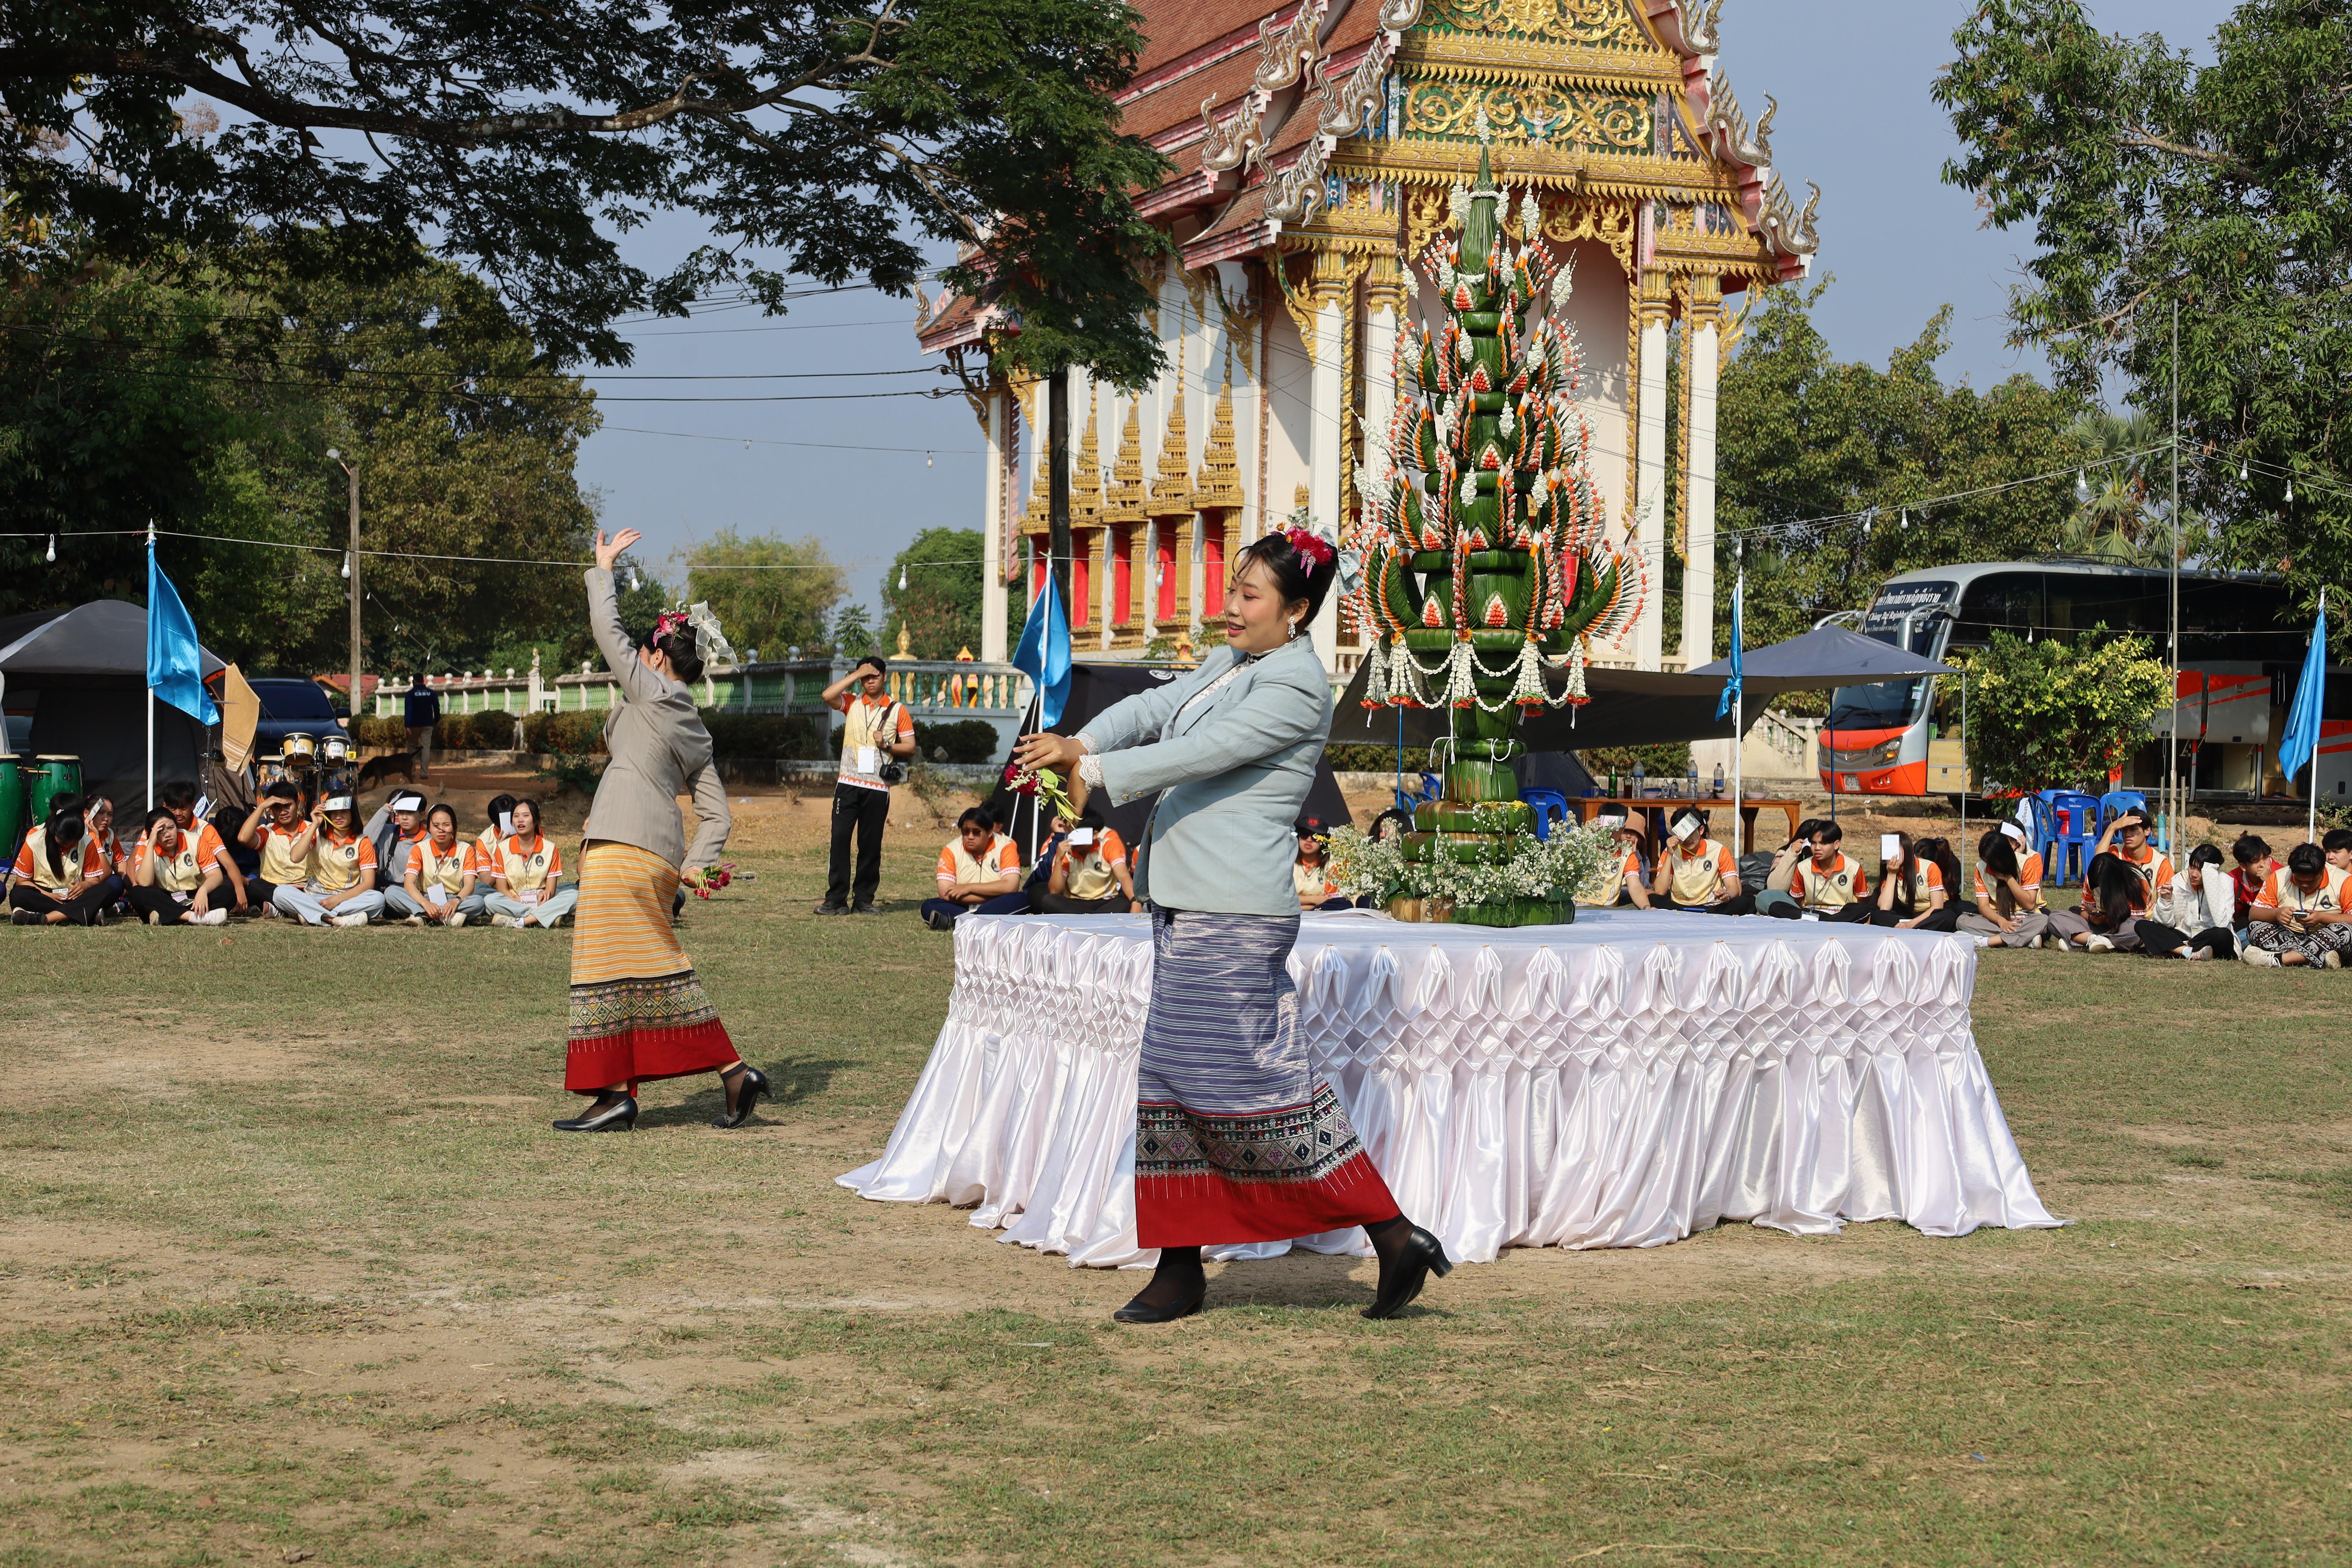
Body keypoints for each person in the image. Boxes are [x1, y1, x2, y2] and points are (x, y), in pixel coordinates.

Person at [1011, 525, 1449, 1325]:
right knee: (1175, 1084)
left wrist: (1098, 770)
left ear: (1298, 612)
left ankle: (1388, 1231)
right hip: (1190, 900)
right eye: (1233, 589)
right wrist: (1082, 737)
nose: (1231, 608)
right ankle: (1183, 1267)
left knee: (1253, 1083)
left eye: (1250, 596)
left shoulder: (1297, 687)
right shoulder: (1235, 662)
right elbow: (1158, 705)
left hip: (1234, 910)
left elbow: (1206, 751)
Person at [556, 529, 761, 1133]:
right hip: (653, 858)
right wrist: (696, 862)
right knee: (627, 970)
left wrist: (602, 569)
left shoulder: (650, 691)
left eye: (645, 651)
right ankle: (624, 1091)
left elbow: (607, 635)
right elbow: (717, 813)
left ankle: (720, 1070)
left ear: (657, 654)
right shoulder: (692, 720)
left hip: (620, 851)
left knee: (624, 968)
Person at [816, 653, 914, 916]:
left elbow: (911, 746)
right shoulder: (852, 703)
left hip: (878, 787)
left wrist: (888, 745)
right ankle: (836, 900)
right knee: (839, 840)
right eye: (865, 677)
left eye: (874, 676)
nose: (870, 681)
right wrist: (857, 674)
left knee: (870, 844)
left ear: (884, 677)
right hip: (848, 783)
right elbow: (828, 696)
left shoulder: (897, 709)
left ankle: (864, 900)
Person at [274, 795, 386, 926]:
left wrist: (336, 900)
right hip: (314, 896)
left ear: (353, 813)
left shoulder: (363, 841)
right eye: (334, 813)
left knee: (378, 899)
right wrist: (315, 824)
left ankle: (311, 914)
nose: (338, 817)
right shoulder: (316, 834)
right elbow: (295, 857)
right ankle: (334, 920)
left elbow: (368, 884)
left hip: (346, 898)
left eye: (344, 812)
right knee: (280, 893)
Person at [2242, 842, 2352, 967]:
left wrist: (2322, 918)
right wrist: (2276, 914)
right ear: (2292, 871)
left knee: (2347, 931)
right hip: (2290, 935)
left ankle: (2280, 960)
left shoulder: (2345, 881)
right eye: (2299, 881)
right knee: (2256, 927)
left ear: (2323, 870)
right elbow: (2254, 913)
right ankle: (2320, 958)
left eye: (2311, 881)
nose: (2305, 885)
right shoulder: (2279, 878)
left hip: (2326, 935)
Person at [8, 802, 113, 925]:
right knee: (18, 894)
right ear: (54, 832)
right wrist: (49, 895)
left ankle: (43, 919)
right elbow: (23, 881)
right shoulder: (34, 842)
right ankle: (85, 914)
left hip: (74, 896)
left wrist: (86, 886)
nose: (68, 847)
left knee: (107, 890)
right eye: (63, 843)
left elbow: (94, 880)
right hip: (44, 894)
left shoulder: (87, 843)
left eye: (73, 844)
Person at [922, 806, 1025, 929]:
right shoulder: (951, 850)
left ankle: (963, 921)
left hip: (997, 903)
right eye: (966, 832)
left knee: (1021, 899)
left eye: (976, 832)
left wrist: (968, 888)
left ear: (990, 832)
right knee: (929, 906)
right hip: (962, 906)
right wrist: (995, 891)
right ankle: (978, 919)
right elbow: (945, 893)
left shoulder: (1006, 846)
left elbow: (1011, 886)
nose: (970, 837)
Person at [127, 807, 230, 925]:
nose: (168, 835)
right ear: (151, 834)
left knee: (227, 893)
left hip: (194, 895)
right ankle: (195, 918)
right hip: (164, 897)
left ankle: (167, 916)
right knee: (136, 893)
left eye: (171, 828)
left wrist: (203, 891)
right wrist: (151, 844)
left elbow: (216, 875)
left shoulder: (196, 841)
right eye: (160, 831)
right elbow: (145, 883)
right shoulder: (146, 848)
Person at [160, 780, 250, 914]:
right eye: (173, 809)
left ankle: (170, 912)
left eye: (183, 808)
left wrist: (240, 891)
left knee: (228, 891)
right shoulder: (156, 826)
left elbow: (228, 864)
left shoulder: (205, 830)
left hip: (199, 889)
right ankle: (193, 915)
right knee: (141, 892)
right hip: (166, 889)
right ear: (165, 807)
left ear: (193, 806)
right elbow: (136, 859)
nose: (178, 813)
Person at [485, 798, 577, 928]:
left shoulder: (550, 848)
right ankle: (545, 916)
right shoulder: (502, 848)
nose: (520, 820)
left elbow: (551, 890)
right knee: (490, 901)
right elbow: (502, 890)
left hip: (542, 901)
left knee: (574, 895)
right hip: (514, 900)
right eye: (516, 816)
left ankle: (523, 921)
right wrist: (518, 900)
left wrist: (545, 895)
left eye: (526, 816)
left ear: (536, 821)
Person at [390, 803, 485, 926]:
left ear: (454, 827)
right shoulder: (420, 848)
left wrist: (455, 902)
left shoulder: (466, 849)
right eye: (436, 826)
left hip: (453, 900)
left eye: (446, 825)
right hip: (424, 898)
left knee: (478, 902)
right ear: (429, 828)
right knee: (391, 893)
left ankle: (422, 916)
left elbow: (469, 885)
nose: (441, 830)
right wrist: (426, 904)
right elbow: (408, 884)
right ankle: (444, 918)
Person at [1960, 822, 2050, 948]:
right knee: (1962, 921)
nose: (1989, 866)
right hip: (1997, 919)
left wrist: (2008, 879)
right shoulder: (1980, 868)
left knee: (2044, 921)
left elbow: (2030, 904)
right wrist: (2001, 922)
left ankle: (1987, 941)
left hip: (2024, 918)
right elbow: (1983, 906)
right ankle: (2025, 939)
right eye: (1986, 862)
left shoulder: (2026, 863)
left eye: (1991, 862)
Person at [2140, 844, 2237, 960]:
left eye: (2201, 870)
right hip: (2186, 934)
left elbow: (2222, 923)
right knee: (2142, 925)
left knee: (2224, 934)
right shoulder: (2180, 880)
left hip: (2210, 937)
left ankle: (2176, 950)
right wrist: (2166, 900)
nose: (2194, 874)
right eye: (2192, 867)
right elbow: (2166, 923)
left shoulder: (2224, 882)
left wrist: (2211, 882)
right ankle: (2188, 952)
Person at [1651, 806, 1753, 914]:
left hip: (1711, 907)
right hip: (1680, 906)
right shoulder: (1670, 852)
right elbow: (1659, 891)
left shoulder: (1719, 850)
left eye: (1691, 833)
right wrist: (1670, 855)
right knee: (1654, 899)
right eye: (1683, 835)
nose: (1687, 839)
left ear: (1701, 830)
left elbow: (1734, 887)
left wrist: (1726, 895)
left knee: (1745, 902)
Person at [1769, 821, 1872, 921]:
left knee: (1861, 910)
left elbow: (1862, 900)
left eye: (1823, 843)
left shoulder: (1853, 868)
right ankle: (1828, 923)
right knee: (1776, 907)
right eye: (1814, 843)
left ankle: (1825, 922)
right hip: (1812, 913)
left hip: (1841, 914)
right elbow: (1799, 901)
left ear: (1836, 845)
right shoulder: (1803, 868)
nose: (1817, 848)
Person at [2046, 851, 2147, 952]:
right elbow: (2084, 909)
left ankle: (2086, 942)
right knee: (2055, 917)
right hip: (2098, 928)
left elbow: (2137, 921)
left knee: (2138, 929)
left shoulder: (2136, 882)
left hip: (2123, 928)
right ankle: (2095, 941)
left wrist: (2108, 918)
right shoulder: (2091, 880)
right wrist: (2090, 917)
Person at [1040, 808, 1136, 916]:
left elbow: (1124, 876)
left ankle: (1084, 919)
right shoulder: (1064, 851)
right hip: (1074, 903)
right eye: (1070, 832)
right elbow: (1055, 891)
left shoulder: (1108, 846)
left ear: (1094, 835)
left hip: (1105, 902)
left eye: (1078, 834)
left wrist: (1135, 902)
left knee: (1124, 903)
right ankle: (1095, 920)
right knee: (1049, 901)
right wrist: (1059, 860)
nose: (1073, 839)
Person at [240, 781, 316, 914]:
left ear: (298, 805)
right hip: (273, 889)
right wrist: (261, 807)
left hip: (304, 888)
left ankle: (281, 911)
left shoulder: (312, 829)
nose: (283, 812)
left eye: (288, 806)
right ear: (271, 810)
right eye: (277, 808)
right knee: (253, 886)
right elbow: (243, 838)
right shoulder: (266, 832)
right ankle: (296, 910)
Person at [2096, 810, 2174, 914]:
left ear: (2147, 831)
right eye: (2124, 830)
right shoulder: (2115, 852)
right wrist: (2112, 828)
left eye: (2133, 829)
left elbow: (2165, 905)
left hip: (2145, 922)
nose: (2128, 834)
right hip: (2116, 918)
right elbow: (2097, 864)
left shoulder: (2161, 864)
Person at [1579, 812, 1651, 908]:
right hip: (1578, 907)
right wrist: (1584, 834)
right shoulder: (1582, 845)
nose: (1611, 832)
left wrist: (1647, 908)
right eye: (1607, 826)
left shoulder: (1628, 855)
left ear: (1622, 829)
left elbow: (1636, 887)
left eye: (1615, 828)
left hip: (1607, 910)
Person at [1290, 820, 1353, 912]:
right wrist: (1314, 900)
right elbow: (1280, 898)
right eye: (1304, 834)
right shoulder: (1288, 859)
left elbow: (1328, 902)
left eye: (1315, 837)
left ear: (1324, 841)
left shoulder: (1333, 864)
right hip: (1290, 908)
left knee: (1344, 904)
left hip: (1319, 911)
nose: (1309, 840)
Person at [2229, 834, 2276, 933]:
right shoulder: (2232, 880)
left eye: (2266, 858)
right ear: (2243, 867)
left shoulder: (2281, 874)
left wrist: (2269, 882)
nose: (2263, 865)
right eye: (2256, 861)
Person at [403, 675, 442, 779]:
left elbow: (408, 711)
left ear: (415, 682)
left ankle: (411, 772)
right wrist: (437, 720)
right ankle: (423, 773)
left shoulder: (410, 694)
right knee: (426, 748)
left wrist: (407, 725)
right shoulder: (431, 693)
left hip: (413, 725)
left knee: (412, 747)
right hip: (428, 724)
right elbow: (437, 708)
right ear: (423, 681)